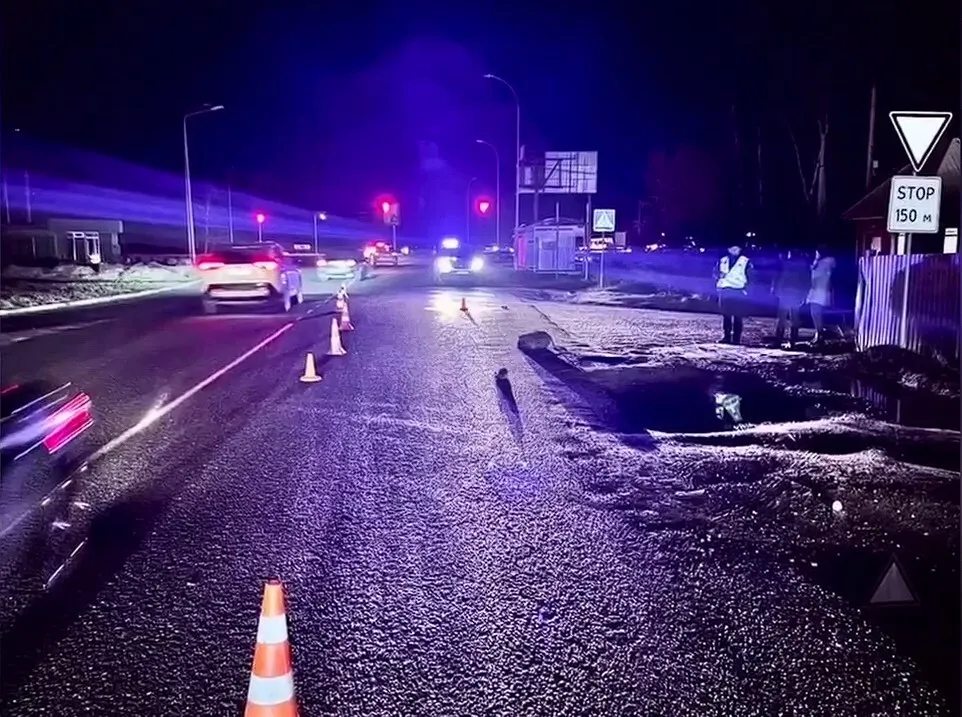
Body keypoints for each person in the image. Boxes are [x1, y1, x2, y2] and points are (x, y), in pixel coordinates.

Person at [771, 249, 810, 348]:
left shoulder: (786, 264)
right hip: (796, 295)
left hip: (785, 294)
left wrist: (777, 290)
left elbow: (780, 278)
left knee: (782, 318)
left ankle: (779, 340)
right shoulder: (803, 266)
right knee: (795, 318)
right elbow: (806, 282)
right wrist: (804, 295)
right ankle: (793, 341)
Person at [714, 244, 751, 345]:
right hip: (725, 290)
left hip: (738, 290)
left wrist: (748, 289)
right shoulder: (723, 260)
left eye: (736, 248)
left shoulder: (745, 261)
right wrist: (718, 276)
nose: (734, 250)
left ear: (740, 249)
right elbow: (715, 272)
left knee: (738, 316)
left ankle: (736, 338)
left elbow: (751, 276)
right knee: (726, 315)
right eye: (732, 248)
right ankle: (726, 336)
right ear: (728, 249)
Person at [806, 245, 836, 344]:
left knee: (816, 312)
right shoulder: (820, 263)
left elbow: (825, 276)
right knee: (815, 313)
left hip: (820, 289)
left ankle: (819, 334)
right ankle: (818, 333)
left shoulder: (826, 263)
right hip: (817, 289)